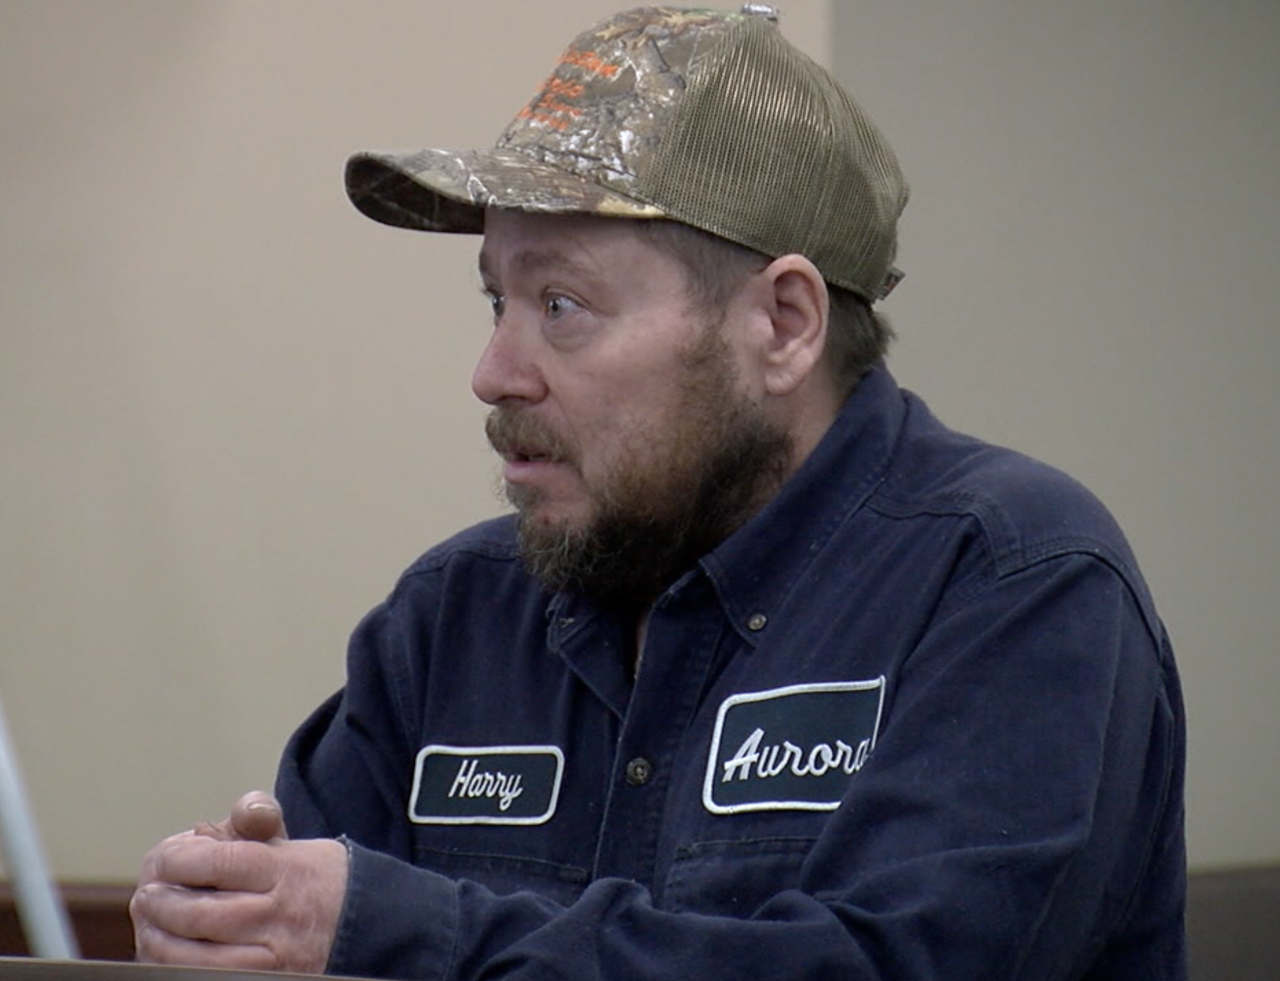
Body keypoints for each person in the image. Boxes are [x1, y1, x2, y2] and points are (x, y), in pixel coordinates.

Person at [129, 6, 1187, 979]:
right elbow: (306, 913)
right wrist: (226, 923)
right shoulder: (451, 618)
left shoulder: (1010, 578)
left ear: (780, 324)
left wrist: (400, 929)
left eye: (561, 303)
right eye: (496, 299)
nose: (494, 372)